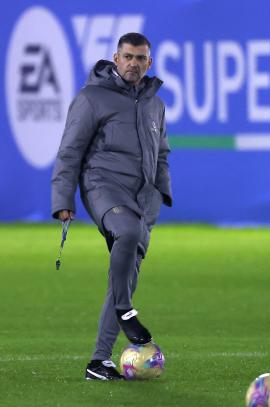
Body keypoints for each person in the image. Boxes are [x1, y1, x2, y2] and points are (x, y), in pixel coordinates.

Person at [51, 33, 172, 380]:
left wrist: (161, 191)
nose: (134, 63)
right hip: (102, 185)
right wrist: (63, 199)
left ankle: (99, 362)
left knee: (125, 275)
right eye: (128, 57)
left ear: (149, 63)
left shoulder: (155, 104)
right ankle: (125, 310)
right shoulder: (92, 98)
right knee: (128, 233)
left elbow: (161, 152)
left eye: (140, 58)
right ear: (116, 59)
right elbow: (70, 151)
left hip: (143, 198)